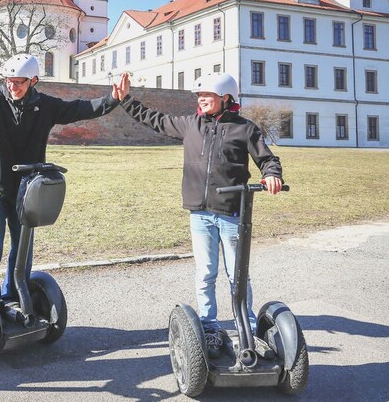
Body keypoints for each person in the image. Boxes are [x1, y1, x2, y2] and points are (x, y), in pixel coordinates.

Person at [115, 71, 283, 358]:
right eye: (200, 96)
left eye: (207, 95)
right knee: (206, 273)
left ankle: (248, 327)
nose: (202, 100)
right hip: (200, 214)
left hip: (231, 213)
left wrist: (272, 175)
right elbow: (153, 119)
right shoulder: (189, 125)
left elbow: (267, 158)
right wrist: (125, 100)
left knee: (238, 276)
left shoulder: (245, 129)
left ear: (225, 98)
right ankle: (209, 326)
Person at [0, 54, 122, 307]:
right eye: (8, 81)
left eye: (19, 82)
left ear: (33, 81)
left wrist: (113, 99)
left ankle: (14, 295)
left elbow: (80, 109)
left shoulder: (46, 105)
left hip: (28, 189)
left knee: (22, 250)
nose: (12, 86)